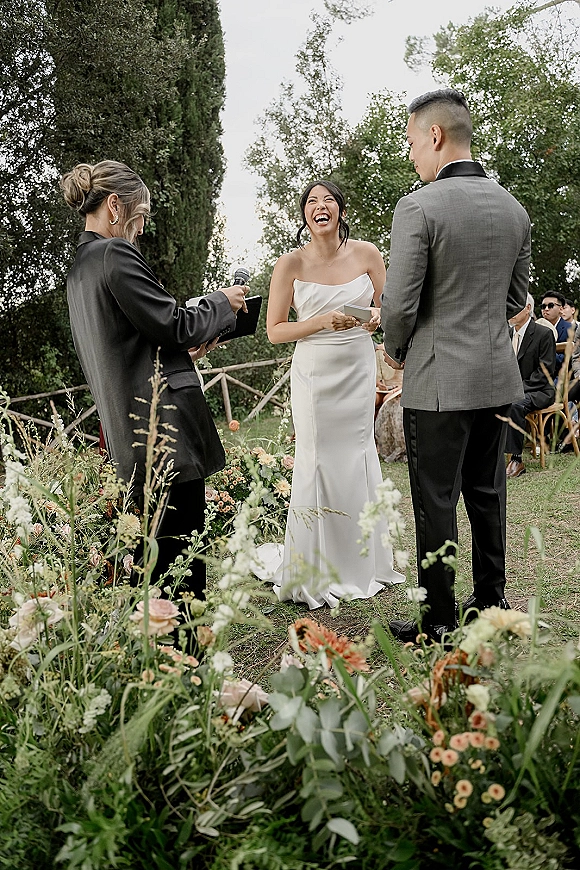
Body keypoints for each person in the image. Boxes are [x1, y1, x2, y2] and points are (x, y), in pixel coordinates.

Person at [380, 89, 530, 642]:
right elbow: (518, 300)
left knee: (435, 501)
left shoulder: (418, 206)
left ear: (436, 137)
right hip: (496, 378)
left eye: (413, 142)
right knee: (489, 496)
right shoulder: (513, 207)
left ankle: (439, 618)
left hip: (438, 381)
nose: (412, 154)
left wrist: (395, 351)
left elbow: (399, 305)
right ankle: (491, 602)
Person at [61, 160, 248, 596]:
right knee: (182, 569)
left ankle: (162, 657)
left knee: (155, 568)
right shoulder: (114, 253)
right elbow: (172, 322)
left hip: (128, 437)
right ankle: (186, 659)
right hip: (163, 433)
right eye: (140, 215)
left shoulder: (78, 270)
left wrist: (185, 348)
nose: (140, 229)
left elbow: (128, 343)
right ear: (114, 207)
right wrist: (221, 302)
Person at [263, 179, 403, 608]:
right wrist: (322, 321)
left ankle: (364, 562)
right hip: (314, 372)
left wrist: (374, 317)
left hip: (357, 367)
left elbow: (392, 306)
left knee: (358, 454)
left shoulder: (367, 254)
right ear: (304, 214)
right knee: (318, 457)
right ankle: (314, 567)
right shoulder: (288, 264)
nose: (319, 206)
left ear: (340, 209)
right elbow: (275, 330)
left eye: (327, 200)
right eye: (310, 201)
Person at [505, 294, 556, 478]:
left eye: (513, 306)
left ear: (527, 308)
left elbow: (545, 373)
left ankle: (516, 460)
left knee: (515, 404)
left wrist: (516, 389)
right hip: (511, 390)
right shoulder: (506, 334)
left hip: (540, 390)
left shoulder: (544, 334)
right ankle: (489, 456)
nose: (509, 311)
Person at [539, 292, 573, 370]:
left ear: (561, 309)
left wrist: (545, 354)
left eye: (551, 305)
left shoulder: (571, 329)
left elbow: (571, 358)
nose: (546, 309)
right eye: (543, 306)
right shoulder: (535, 328)